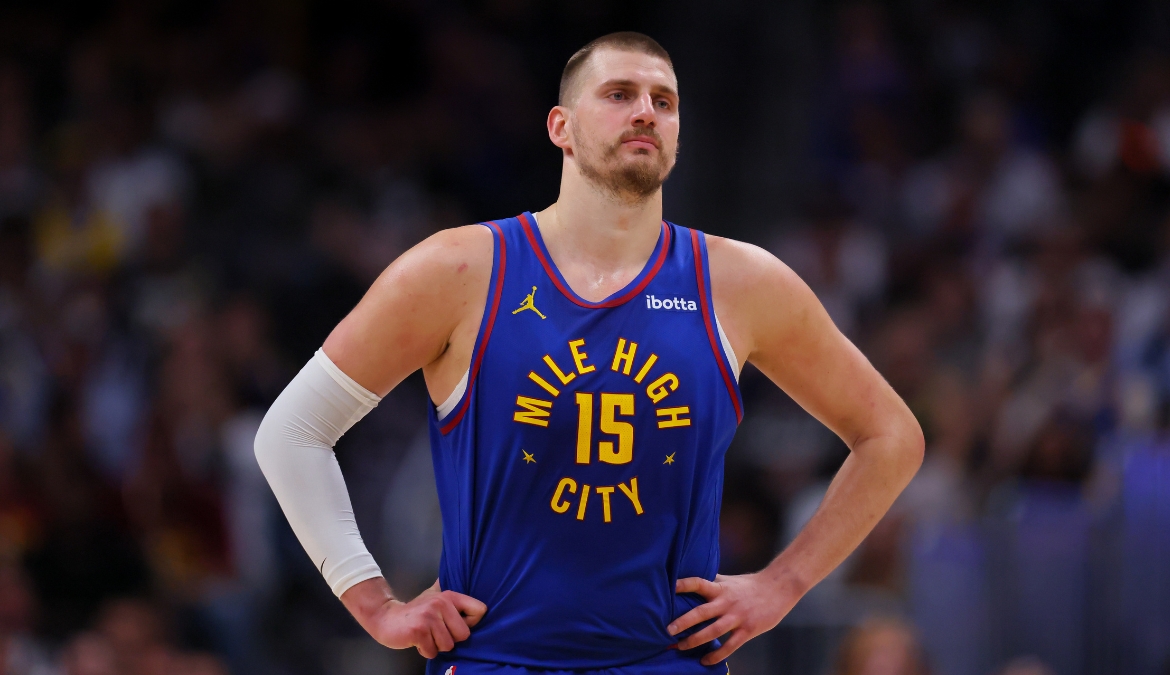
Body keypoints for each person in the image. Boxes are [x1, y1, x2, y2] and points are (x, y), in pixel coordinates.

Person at [254, 31, 924, 675]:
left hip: (667, 660)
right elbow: (292, 431)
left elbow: (892, 436)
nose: (645, 111)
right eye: (619, 93)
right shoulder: (456, 270)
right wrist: (373, 602)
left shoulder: (742, 283)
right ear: (560, 127)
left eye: (665, 101)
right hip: (497, 658)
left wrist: (783, 583)